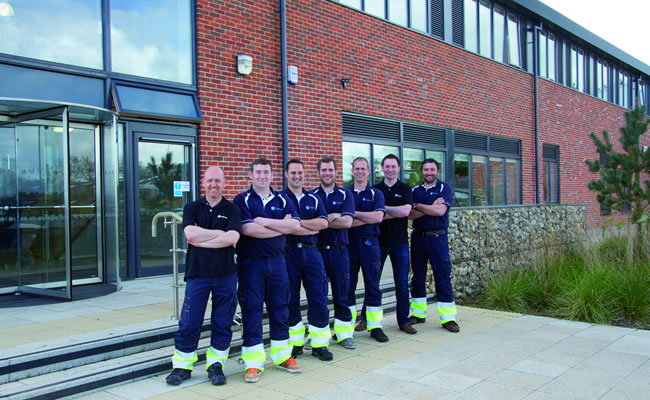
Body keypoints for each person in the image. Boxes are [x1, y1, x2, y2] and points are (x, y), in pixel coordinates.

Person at [166, 166, 241, 387]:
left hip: (225, 274)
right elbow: (190, 234)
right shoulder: (191, 207)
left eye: (218, 180)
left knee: (222, 321)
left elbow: (233, 238)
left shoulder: (233, 210)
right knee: (190, 321)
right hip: (197, 273)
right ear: (203, 182)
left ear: (224, 183)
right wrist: (221, 234)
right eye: (210, 180)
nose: (213, 184)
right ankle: (182, 366)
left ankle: (215, 365)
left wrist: (206, 237)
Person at [233, 158, 302, 383]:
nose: (262, 176)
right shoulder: (241, 199)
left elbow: (294, 226)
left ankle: (282, 356)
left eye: (266, 172)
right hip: (250, 263)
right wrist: (279, 226)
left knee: (280, 308)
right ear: (251, 175)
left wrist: (262, 221)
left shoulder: (283, 199)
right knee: (251, 310)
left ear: (273, 175)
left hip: (277, 262)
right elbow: (247, 229)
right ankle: (253, 363)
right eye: (258, 172)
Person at [356, 154, 416, 334]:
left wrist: (381, 210)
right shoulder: (375, 189)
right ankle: (365, 319)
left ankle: (404, 321)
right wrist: (388, 211)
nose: (390, 169)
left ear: (398, 168)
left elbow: (406, 211)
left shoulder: (405, 189)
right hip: (378, 243)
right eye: (386, 166)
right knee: (372, 282)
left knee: (402, 284)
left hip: (400, 243)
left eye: (393, 166)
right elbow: (372, 215)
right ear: (381, 168)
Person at [283, 159, 333, 361]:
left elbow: (323, 223)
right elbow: (281, 227)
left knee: (319, 297)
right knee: (289, 299)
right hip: (288, 253)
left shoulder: (313, 198)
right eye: (293, 173)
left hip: (313, 253)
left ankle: (319, 344)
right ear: (286, 174)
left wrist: (295, 225)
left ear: (305, 174)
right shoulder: (279, 199)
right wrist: (306, 226)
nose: (297, 176)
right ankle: (295, 343)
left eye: (300, 173)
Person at [408, 158, 459, 333]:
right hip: (418, 238)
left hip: (438, 239)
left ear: (437, 171)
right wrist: (428, 206)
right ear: (421, 172)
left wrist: (420, 206)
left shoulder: (445, 188)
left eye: (432, 169)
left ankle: (448, 318)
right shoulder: (415, 190)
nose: (429, 172)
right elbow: (410, 215)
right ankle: (418, 314)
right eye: (426, 170)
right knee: (417, 276)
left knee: (442, 276)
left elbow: (440, 211)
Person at [312, 157, 356, 350]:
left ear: (336, 172)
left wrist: (322, 220)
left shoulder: (346, 194)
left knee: (342, 294)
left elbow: (347, 222)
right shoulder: (312, 196)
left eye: (330, 170)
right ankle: (318, 335)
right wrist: (333, 216)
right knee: (318, 296)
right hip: (318, 252)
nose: (327, 173)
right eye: (324, 170)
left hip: (340, 252)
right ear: (318, 172)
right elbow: (309, 223)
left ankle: (344, 334)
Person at [347, 157, 389, 343]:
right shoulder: (345, 194)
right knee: (347, 286)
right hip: (348, 244)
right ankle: (345, 328)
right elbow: (344, 221)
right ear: (352, 171)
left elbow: (379, 217)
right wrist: (367, 217)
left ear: (369, 171)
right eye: (357, 168)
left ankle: (375, 327)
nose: (360, 171)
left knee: (373, 285)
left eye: (363, 168)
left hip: (370, 244)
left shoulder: (376, 194)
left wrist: (354, 215)